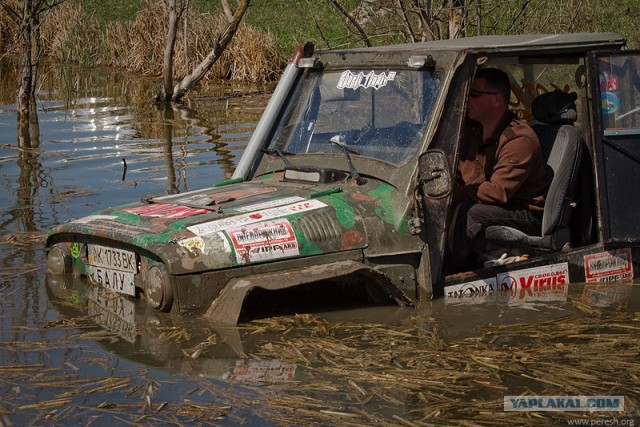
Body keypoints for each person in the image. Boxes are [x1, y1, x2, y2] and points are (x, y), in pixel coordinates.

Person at [446, 68, 547, 273]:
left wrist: (452, 193)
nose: (468, 100)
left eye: (474, 94)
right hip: (491, 204)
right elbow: (456, 168)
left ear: (497, 100)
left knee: (469, 212)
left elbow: (498, 192)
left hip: (523, 212)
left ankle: (443, 272)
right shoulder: (472, 132)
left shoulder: (519, 138)